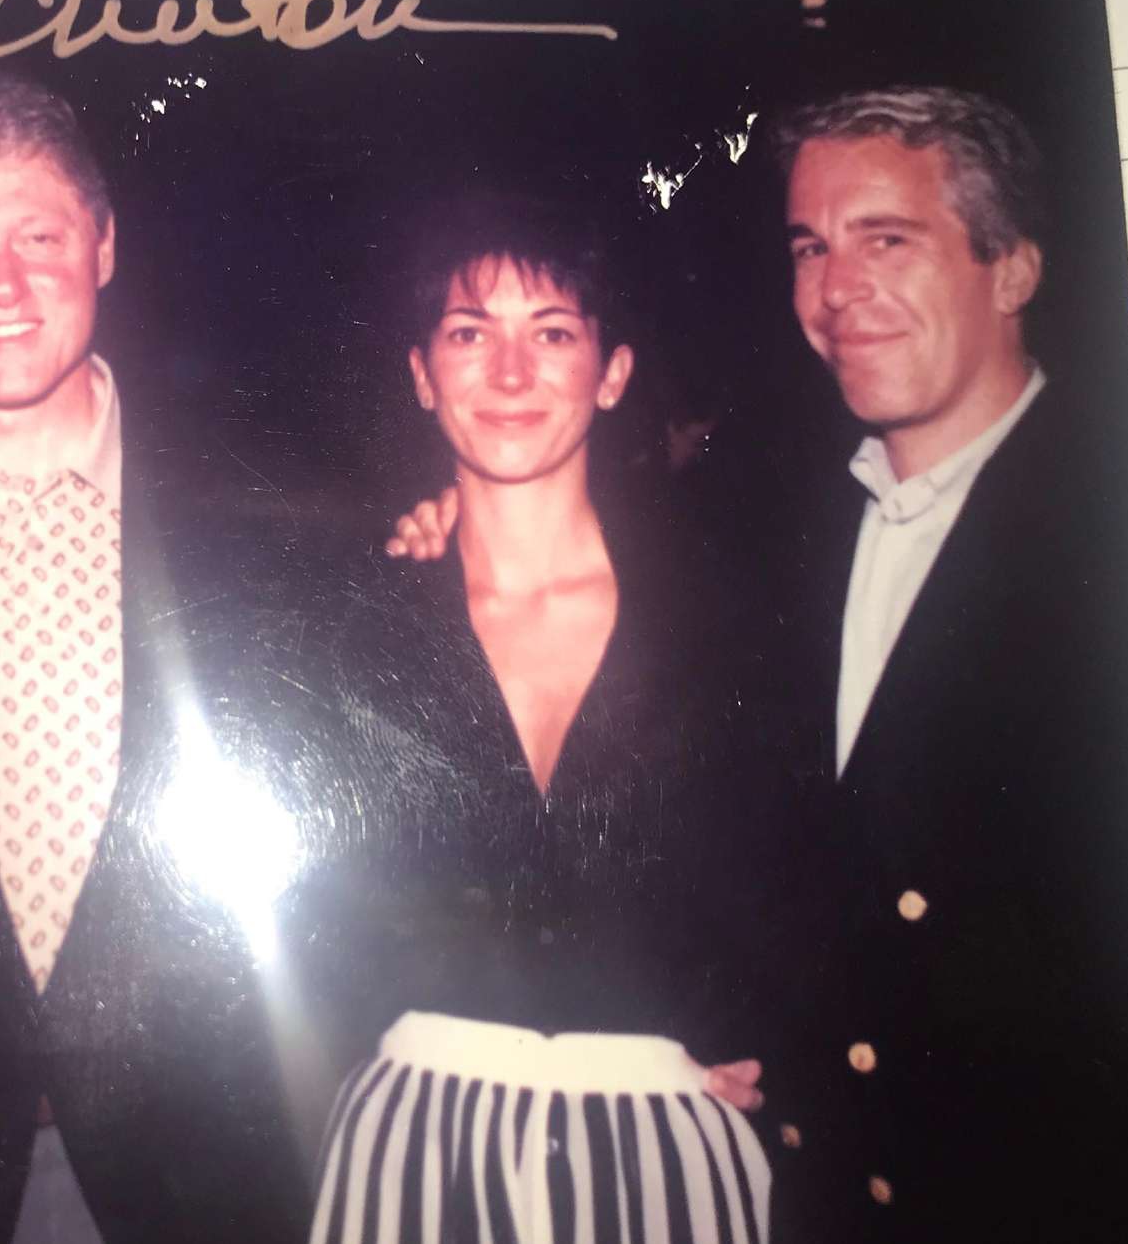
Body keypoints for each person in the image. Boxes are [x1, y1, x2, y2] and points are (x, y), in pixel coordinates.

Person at [0, 73, 309, 1243]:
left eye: (39, 236)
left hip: (210, 1171)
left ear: (102, 246)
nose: (2, 285)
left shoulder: (272, 504)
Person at [294, 194, 796, 1244]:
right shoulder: (348, 630)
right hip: (411, 1153)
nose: (512, 375)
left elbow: (814, 873)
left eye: (553, 332)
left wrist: (786, 1045)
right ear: (422, 373)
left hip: (671, 1154)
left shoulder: (733, 620)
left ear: (612, 373)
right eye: (471, 333)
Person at [767, 85, 1128, 1239]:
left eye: (887, 239)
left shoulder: (1123, 534)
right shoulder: (779, 539)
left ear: (1015, 269)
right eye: (811, 247)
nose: (838, 289)